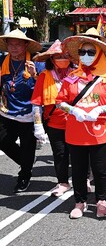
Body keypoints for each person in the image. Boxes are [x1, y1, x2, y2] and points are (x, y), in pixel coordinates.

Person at [56, 35, 106, 219]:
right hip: (75, 132)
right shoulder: (71, 78)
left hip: (99, 131)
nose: (86, 55)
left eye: (90, 52)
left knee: (101, 169)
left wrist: (100, 109)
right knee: (78, 169)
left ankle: (101, 200)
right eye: (82, 52)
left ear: (99, 54)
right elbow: (59, 102)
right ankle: (80, 201)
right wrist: (72, 109)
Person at [0, 29, 44, 192]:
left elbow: (45, 87)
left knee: (28, 147)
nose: (14, 47)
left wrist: (35, 75)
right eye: (10, 44)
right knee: (2, 140)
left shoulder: (36, 63)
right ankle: (25, 161)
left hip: (29, 114)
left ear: (26, 45)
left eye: (18, 44)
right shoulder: (2, 61)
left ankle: (24, 176)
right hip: (7, 111)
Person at [31, 40, 74, 197]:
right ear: (51, 59)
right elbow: (36, 103)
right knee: (60, 154)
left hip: (77, 123)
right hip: (54, 123)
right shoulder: (44, 76)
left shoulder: (78, 74)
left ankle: (83, 180)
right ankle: (62, 182)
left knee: (79, 154)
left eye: (65, 56)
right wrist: (38, 125)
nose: (62, 59)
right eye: (58, 56)